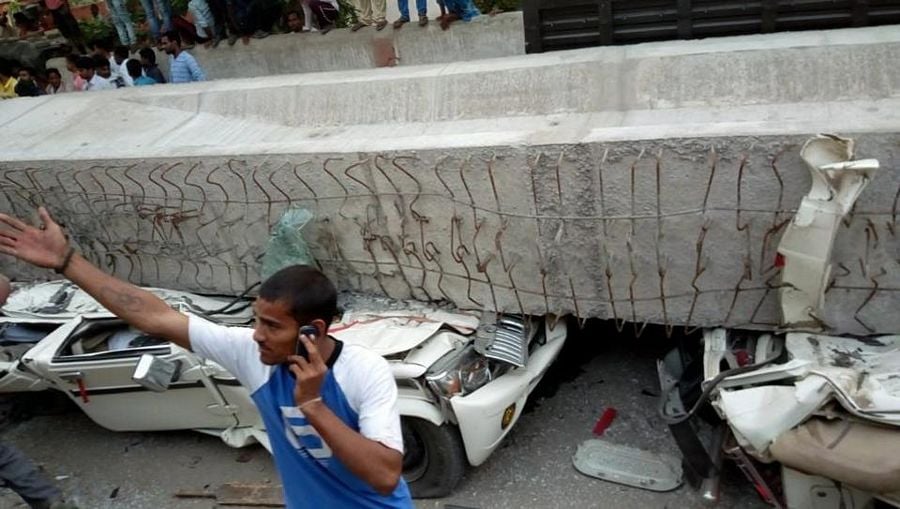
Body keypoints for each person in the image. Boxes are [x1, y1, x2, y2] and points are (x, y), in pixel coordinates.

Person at [0, 208, 413, 508]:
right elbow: (155, 315)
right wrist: (67, 262)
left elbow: (383, 475)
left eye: (272, 326)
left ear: (315, 331)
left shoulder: (364, 372)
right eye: (256, 321)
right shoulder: (254, 355)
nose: (257, 335)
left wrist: (312, 405)